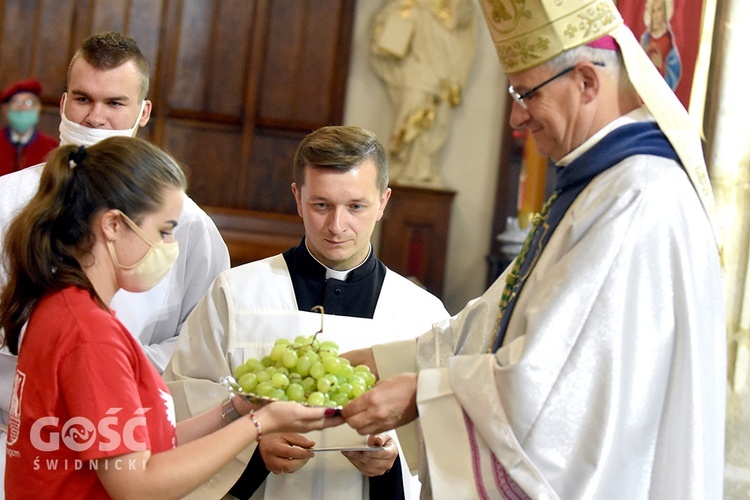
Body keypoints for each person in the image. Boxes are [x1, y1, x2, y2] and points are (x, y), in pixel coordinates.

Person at [341, 0, 726, 498]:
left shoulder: (637, 196)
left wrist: (423, 393)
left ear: (587, 81)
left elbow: (566, 387)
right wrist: (387, 361)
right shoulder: (600, 185)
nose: (517, 118)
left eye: (526, 94)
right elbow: (500, 316)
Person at [0, 137, 341, 498]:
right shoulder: (90, 334)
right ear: (114, 225)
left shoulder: (69, 306)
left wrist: (233, 410)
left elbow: (139, 442)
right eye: (163, 231)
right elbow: (137, 484)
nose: (170, 247)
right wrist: (261, 423)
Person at [164, 125, 450, 499]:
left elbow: (446, 435)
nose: (337, 225)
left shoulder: (421, 313)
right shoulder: (237, 293)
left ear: (383, 202)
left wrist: (391, 463)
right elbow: (183, 398)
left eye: (356, 207)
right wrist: (251, 448)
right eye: (321, 205)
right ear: (298, 198)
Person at [0, 31, 229, 495]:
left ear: (143, 112)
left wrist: (234, 412)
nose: (96, 117)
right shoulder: (9, 203)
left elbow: (204, 333)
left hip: (130, 426)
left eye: (115, 103)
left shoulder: (188, 220)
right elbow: (135, 487)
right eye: (83, 99)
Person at [370, 0, 476, 187]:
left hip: (440, 63)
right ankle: (405, 165)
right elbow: (388, 16)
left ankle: (423, 169)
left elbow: (462, 17)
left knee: (437, 118)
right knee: (413, 106)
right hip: (414, 64)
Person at [0, 79, 58, 176]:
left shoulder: (50, 146)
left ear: (38, 108)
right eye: (16, 102)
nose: (22, 107)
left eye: (28, 102)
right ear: (5, 110)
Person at [640, 0, 681, 90]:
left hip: (659, 91)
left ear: (665, 12)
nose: (656, 15)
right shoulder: (646, 38)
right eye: (653, 11)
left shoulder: (668, 41)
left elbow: (675, 72)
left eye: (659, 10)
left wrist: (662, 66)